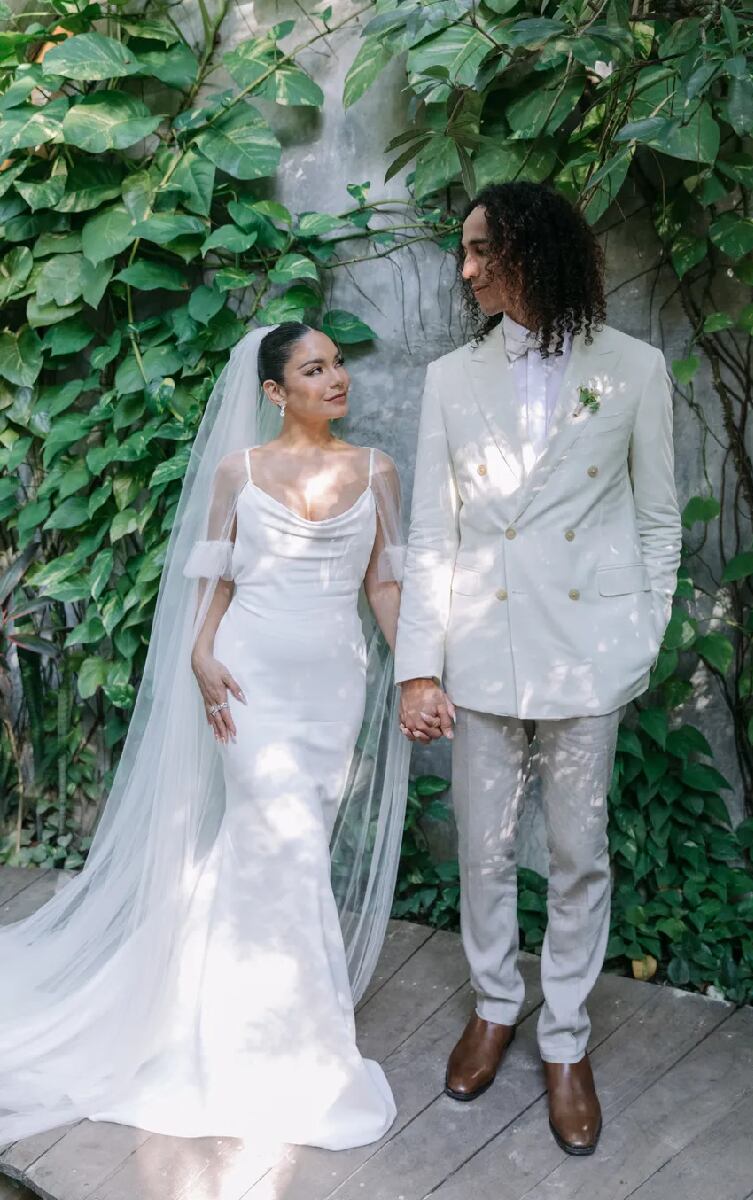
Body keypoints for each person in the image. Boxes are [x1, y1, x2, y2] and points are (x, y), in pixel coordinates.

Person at [0, 323, 410, 1154]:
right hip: (249, 682)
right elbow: (215, 578)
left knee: (283, 849)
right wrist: (198, 648)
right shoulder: (238, 473)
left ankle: (207, 1006)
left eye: (337, 366)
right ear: (274, 392)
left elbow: (386, 583)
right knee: (279, 839)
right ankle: (294, 1050)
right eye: (315, 368)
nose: (337, 379)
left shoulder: (377, 471)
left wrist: (417, 674)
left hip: (331, 691)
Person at [394, 182, 681, 1155]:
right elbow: (432, 533)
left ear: (530, 250)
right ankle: (492, 1005)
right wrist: (416, 669)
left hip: (585, 663)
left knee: (576, 853)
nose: (466, 268)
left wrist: (634, 640)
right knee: (480, 850)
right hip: (477, 658)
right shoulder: (447, 380)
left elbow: (655, 521)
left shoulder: (634, 370)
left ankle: (563, 1039)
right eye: (465, 253)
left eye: (482, 250)